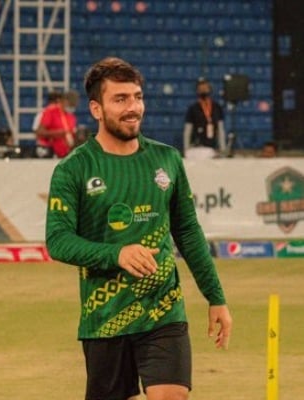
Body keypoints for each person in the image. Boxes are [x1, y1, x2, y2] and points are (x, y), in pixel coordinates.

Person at [45, 58, 232, 400]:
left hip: (164, 311)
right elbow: (58, 241)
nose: (133, 108)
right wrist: (116, 253)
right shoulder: (73, 169)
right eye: (120, 99)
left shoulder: (167, 160)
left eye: (137, 97)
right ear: (96, 109)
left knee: (171, 395)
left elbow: (188, 232)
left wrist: (216, 297)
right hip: (105, 318)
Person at [183, 78, 226, 159]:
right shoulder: (193, 108)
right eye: (201, 89)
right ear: (197, 91)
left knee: (210, 154)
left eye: (205, 88)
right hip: (196, 147)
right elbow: (187, 131)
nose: (203, 90)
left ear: (209, 89)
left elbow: (221, 130)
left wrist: (223, 149)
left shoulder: (217, 107)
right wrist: (186, 148)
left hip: (211, 147)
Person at [35, 89, 77, 158]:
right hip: (49, 152)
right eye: (70, 104)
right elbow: (39, 132)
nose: (71, 107)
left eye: (73, 106)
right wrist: (56, 133)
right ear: (64, 101)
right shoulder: (51, 111)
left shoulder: (71, 116)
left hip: (65, 154)